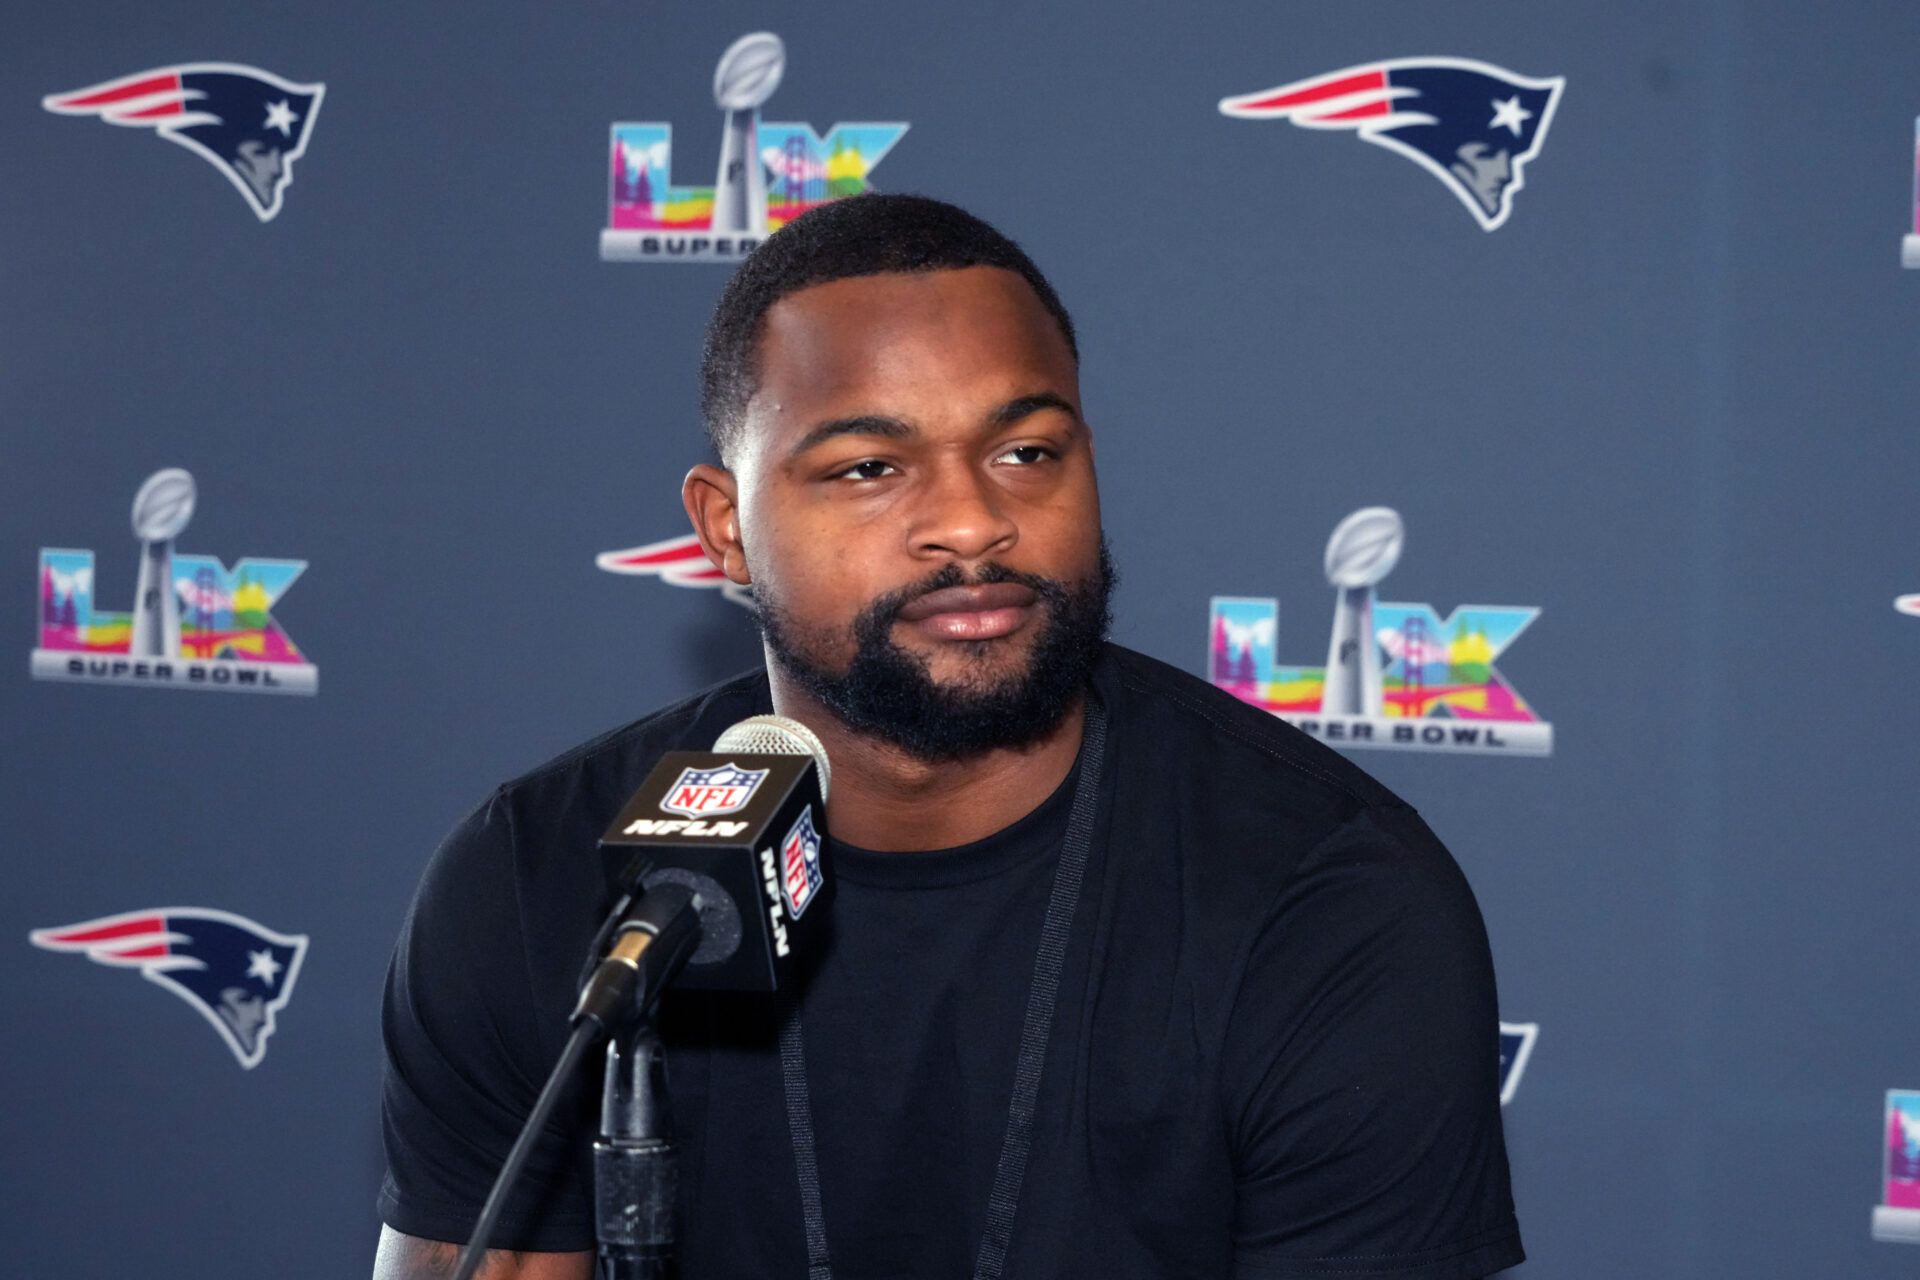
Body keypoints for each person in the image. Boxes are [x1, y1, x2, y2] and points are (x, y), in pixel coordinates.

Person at [372, 194, 1523, 1280]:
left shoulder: (1328, 900)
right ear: (726, 530)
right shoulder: (535, 878)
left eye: (1027, 452)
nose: (973, 521)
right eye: (870, 468)